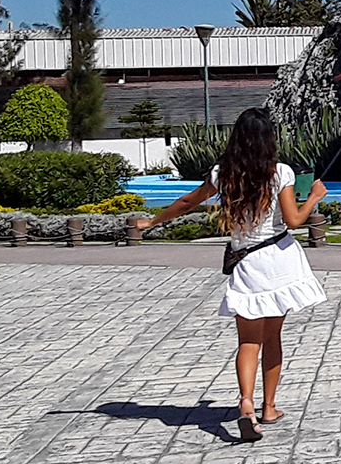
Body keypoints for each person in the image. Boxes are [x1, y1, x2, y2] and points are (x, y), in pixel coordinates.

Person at [136, 108, 327, 441]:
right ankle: (270, 408)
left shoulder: (222, 174)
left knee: (248, 341)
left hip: (246, 262)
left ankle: (246, 403)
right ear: (269, 139)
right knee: (273, 338)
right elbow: (294, 220)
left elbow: (188, 202)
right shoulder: (280, 172)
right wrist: (314, 197)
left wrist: (152, 221)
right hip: (278, 259)